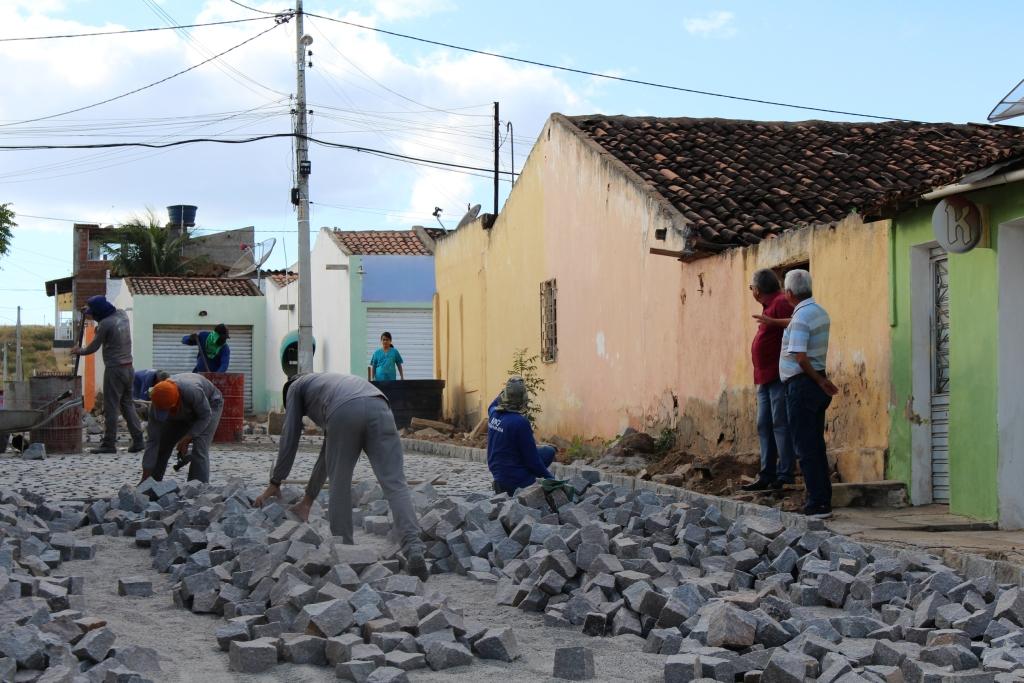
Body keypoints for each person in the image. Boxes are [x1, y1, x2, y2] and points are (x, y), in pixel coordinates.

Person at [253, 373, 428, 580]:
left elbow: (289, 436)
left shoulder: (294, 388)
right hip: (380, 405)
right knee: (395, 483)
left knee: (340, 483)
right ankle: (414, 548)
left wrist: (276, 481)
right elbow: (326, 454)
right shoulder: (329, 384)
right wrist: (307, 500)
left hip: (345, 412)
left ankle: (346, 553)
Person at [779, 269, 839, 519]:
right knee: (815, 443)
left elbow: (800, 356)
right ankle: (822, 498)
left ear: (789, 293)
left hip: (803, 384)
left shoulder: (801, 318)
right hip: (811, 383)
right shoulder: (819, 312)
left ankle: (817, 502)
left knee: (805, 446)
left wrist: (819, 380)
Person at [743, 269, 796, 492]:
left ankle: (785, 474)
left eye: (751, 287)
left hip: (777, 375)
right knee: (764, 424)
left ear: (757, 289)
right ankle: (767, 473)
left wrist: (772, 322)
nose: (751, 291)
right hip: (764, 377)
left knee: (780, 424)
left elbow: (795, 323)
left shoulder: (781, 302)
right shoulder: (770, 305)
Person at [71, 295, 144, 454]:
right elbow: (104, 314)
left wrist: (79, 351)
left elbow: (93, 347)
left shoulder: (105, 325)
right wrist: (89, 312)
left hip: (114, 370)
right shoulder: (122, 315)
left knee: (111, 407)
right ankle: (138, 440)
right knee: (127, 405)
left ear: (99, 313)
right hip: (129, 367)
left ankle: (109, 444)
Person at [141, 373, 224, 483]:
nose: (164, 413)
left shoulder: (192, 391)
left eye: (167, 410)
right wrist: (146, 475)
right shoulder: (157, 400)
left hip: (210, 406)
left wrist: (188, 437)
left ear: (176, 402)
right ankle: (152, 483)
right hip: (185, 408)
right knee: (162, 443)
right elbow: (152, 441)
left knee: (199, 447)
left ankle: (197, 488)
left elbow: (205, 416)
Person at [487, 376, 555, 496]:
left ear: (505, 395)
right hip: (515, 481)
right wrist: (551, 479)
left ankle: (502, 486)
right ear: (524, 398)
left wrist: (508, 388)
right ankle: (522, 487)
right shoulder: (520, 422)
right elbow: (533, 461)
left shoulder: (494, 414)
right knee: (548, 453)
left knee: (547, 451)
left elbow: (493, 403)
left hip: (499, 475)